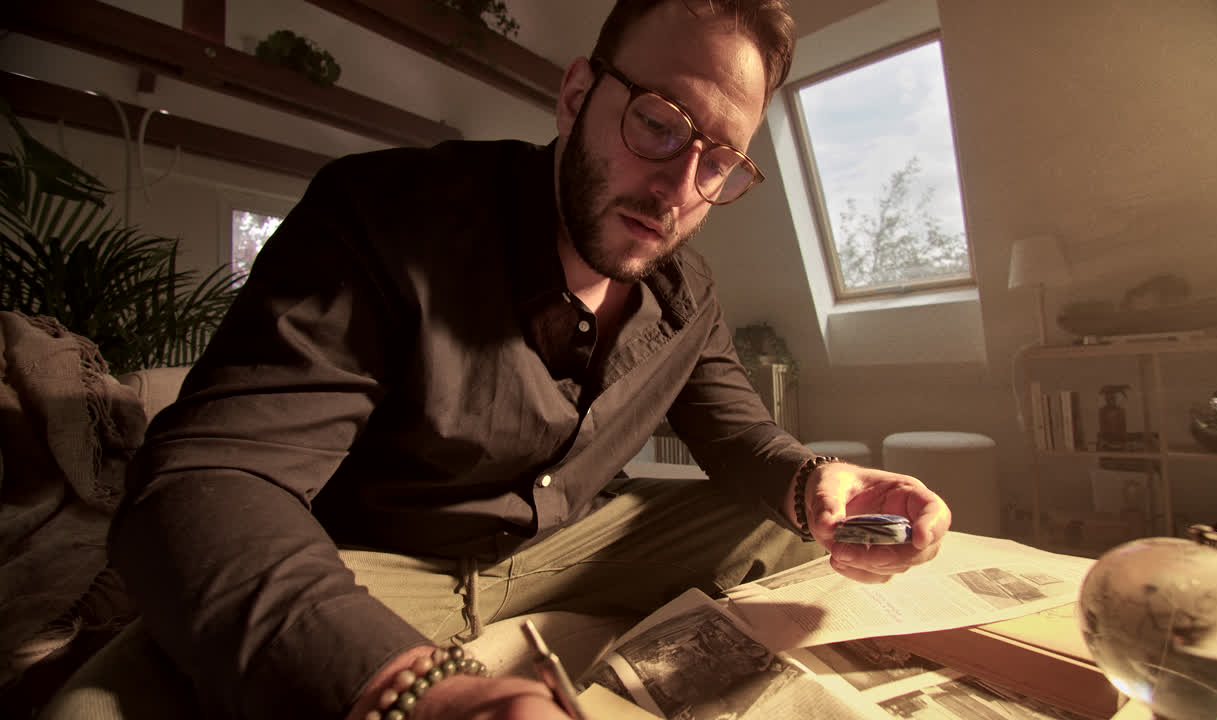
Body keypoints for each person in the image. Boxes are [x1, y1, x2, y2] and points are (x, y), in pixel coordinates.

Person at [55, 1, 952, 718]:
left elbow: (739, 438)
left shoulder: (690, 293)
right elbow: (206, 478)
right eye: (659, 123)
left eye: (718, 162)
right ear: (575, 96)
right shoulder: (381, 216)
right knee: (101, 702)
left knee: (774, 523)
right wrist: (413, 686)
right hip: (378, 559)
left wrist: (817, 484)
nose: (679, 189)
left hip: (564, 547)